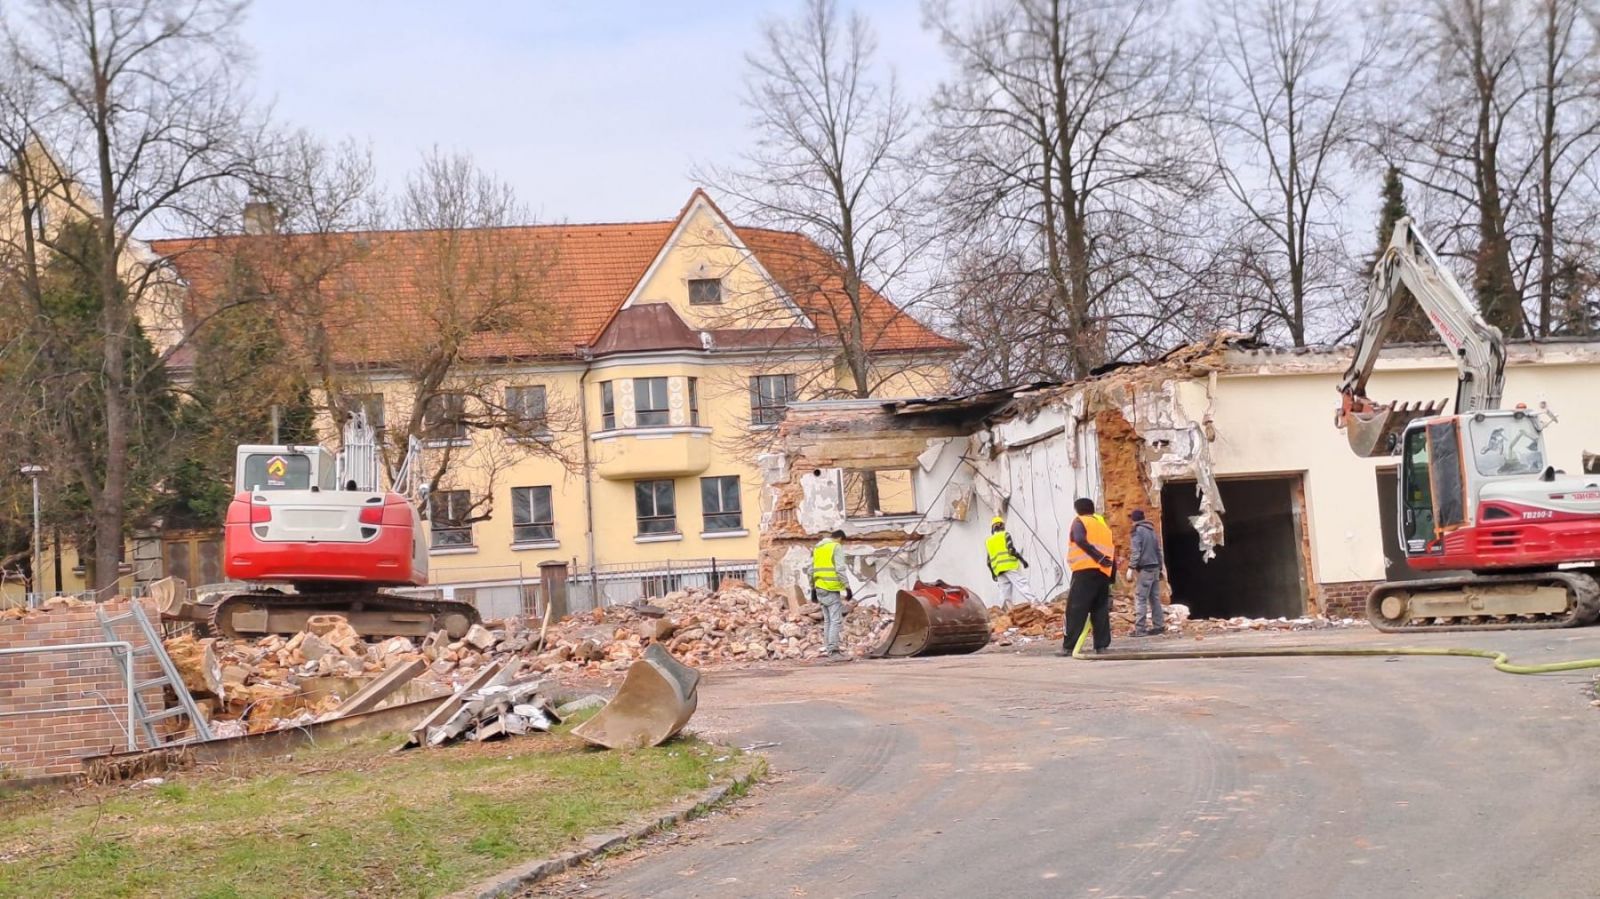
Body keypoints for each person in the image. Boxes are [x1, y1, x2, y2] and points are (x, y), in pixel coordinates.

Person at [1061, 497, 1115, 656]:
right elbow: (1113, 552)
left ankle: (1069, 647)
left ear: (1077, 509)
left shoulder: (1079, 522)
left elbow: (1079, 539)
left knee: (1075, 610)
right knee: (1100, 610)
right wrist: (1111, 577)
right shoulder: (1103, 527)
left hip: (1084, 571)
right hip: (1103, 573)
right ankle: (1101, 646)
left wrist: (1097, 557)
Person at [810, 528, 851, 660]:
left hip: (819, 587)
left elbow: (811, 570)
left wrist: (813, 589)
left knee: (828, 620)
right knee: (835, 620)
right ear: (840, 538)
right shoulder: (836, 546)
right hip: (831, 588)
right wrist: (847, 587)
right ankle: (834, 652)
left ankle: (829, 649)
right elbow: (840, 568)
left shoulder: (818, 548)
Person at [1128, 509, 1166, 635]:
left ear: (1133, 519)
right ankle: (1159, 626)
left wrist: (1131, 567)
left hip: (1146, 568)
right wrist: (1160, 568)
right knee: (1154, 598)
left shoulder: (1137, 531)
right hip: (1155, 567)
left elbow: (1136, 551)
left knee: (1140, 598)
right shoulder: (1151, 530)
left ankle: (1140, 629)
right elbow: (1158, 550)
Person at [986, 516, 1036, 608]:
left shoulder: (989, 541)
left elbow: (988, 561)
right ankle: (1034, 602)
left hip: (998, 571)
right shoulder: (1005, 535)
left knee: (1004, 592)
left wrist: (993, 574)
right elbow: (1011, 550)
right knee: (1021, 584)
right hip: (1008, 566)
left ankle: (1007, 611)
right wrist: (1022, 560)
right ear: (1002, 526)